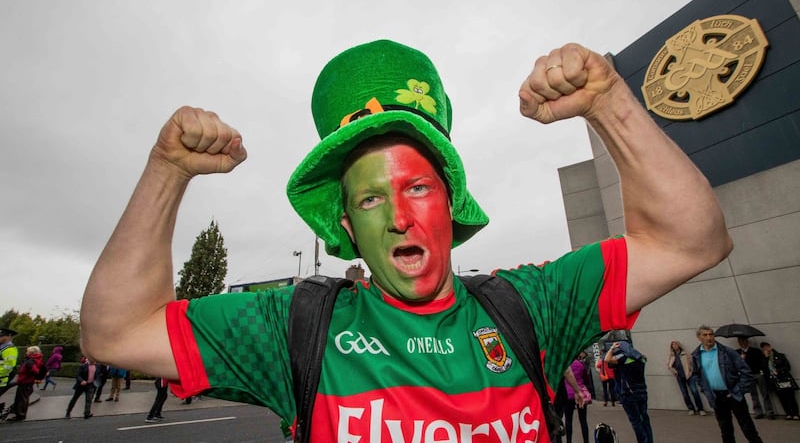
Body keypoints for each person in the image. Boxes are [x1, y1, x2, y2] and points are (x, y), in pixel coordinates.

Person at [80, 39, 732, 441]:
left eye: (418, 187)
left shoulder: (530, 304)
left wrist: (608, 100)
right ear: (345, 226)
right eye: (369, 197)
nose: (398, 215)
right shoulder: (293, 326)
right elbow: (118, 332)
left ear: (451, 203)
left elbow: (691, 241)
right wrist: (166, 171)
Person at [692, 325, 762, 443]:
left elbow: (746, 371)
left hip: (733, 394)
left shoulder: (727, 351)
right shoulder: (696, 355)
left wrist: (739, 389)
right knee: (725, 428)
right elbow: (697, 375)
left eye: (711, 334)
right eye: (705, 335)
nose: (709, 337)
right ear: (699, 337)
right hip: (716, 397)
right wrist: (705, 390)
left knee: (747, 426)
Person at [605, 341, 652, 443]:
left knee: (635, 421)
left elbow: (607, 359)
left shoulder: (623, 358)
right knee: (645, 418)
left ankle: (643, 441)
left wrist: (612, 348)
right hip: (642, 392)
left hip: (629, 394)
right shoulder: (641, 358)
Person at [736, 337, 774, 419]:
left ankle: (769, 412)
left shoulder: (755, 351)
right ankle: (758, 412)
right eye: (740, 341)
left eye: (743, 341)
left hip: (758, 373)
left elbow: (762, 361)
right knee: (753, 395)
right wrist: (741, 359)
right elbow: (737, 365)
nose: (742, 343)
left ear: (747, 341)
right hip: (748, 376)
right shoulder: (737, 353)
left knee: (765, 393)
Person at [760, 342, 799, 420]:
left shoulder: (780, 356)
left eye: (767, 347)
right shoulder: (764, 359)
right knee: (782, 398)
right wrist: (766, 358)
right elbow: (764, 370)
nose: (766, 349)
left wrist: (778, 370)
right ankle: (788, 413)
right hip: (775, 381)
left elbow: (787, 367)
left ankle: (795, 414)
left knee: (790, 397)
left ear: (770, 347)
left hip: (784, 378)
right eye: (764, 348)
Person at [4, 345, 43, 422]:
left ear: (31, 352)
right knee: (23, 398)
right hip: (27, 382)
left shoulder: (30, 361)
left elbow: (35, 371)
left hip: (25, 382)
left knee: (22, 399)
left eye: (27, 351)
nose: (26, 352)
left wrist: (24, 377)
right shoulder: (35, 359)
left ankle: (20, 415)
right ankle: (19, 413)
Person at [668, 340, 706, 416]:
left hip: (689, 376)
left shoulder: (685, 353)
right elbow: (669, 365)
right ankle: (691, 409)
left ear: (679, 345)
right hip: (679, 377)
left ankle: (701, 409)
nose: (674, 345)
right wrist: (674, 371)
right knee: (685, 393)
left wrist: (691, 371)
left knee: (694, 392)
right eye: (673, 345)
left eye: (675, 344)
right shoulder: (672, 356)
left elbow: (692, 363)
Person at [564, 357, 591, 443]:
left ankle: (569, 441)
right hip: (580, 393)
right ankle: (586, 441)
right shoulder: (580, 364)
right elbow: (586, 379)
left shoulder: (565, 364)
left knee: (568, 420)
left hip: (568, 394)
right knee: (583, 420)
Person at [0, 328, 19, 416]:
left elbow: (8, 366)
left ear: (9, 336)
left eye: (1, 336)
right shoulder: (2, 348)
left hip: (2, 380)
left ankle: (2, 411)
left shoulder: (9, 349)